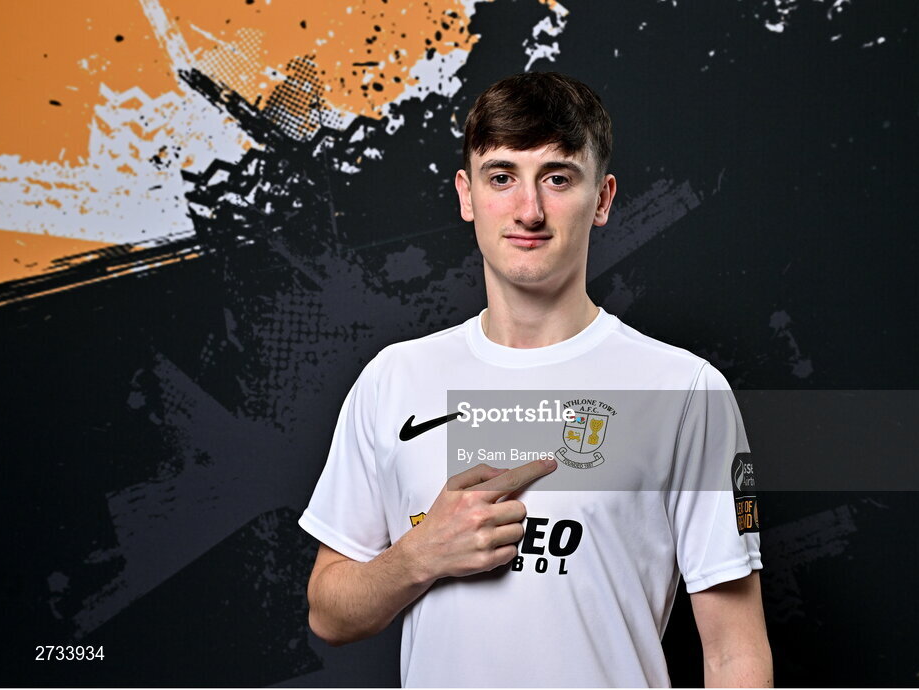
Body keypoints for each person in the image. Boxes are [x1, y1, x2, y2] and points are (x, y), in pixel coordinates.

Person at [299, 72, 772, 687]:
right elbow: (329, 614)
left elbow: (736, 652)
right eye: (502, 177)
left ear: (601, 199)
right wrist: (417, 557)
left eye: (557, 177)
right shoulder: (395, 378)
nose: (528, 209)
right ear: (467, 196)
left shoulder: (684, 391)